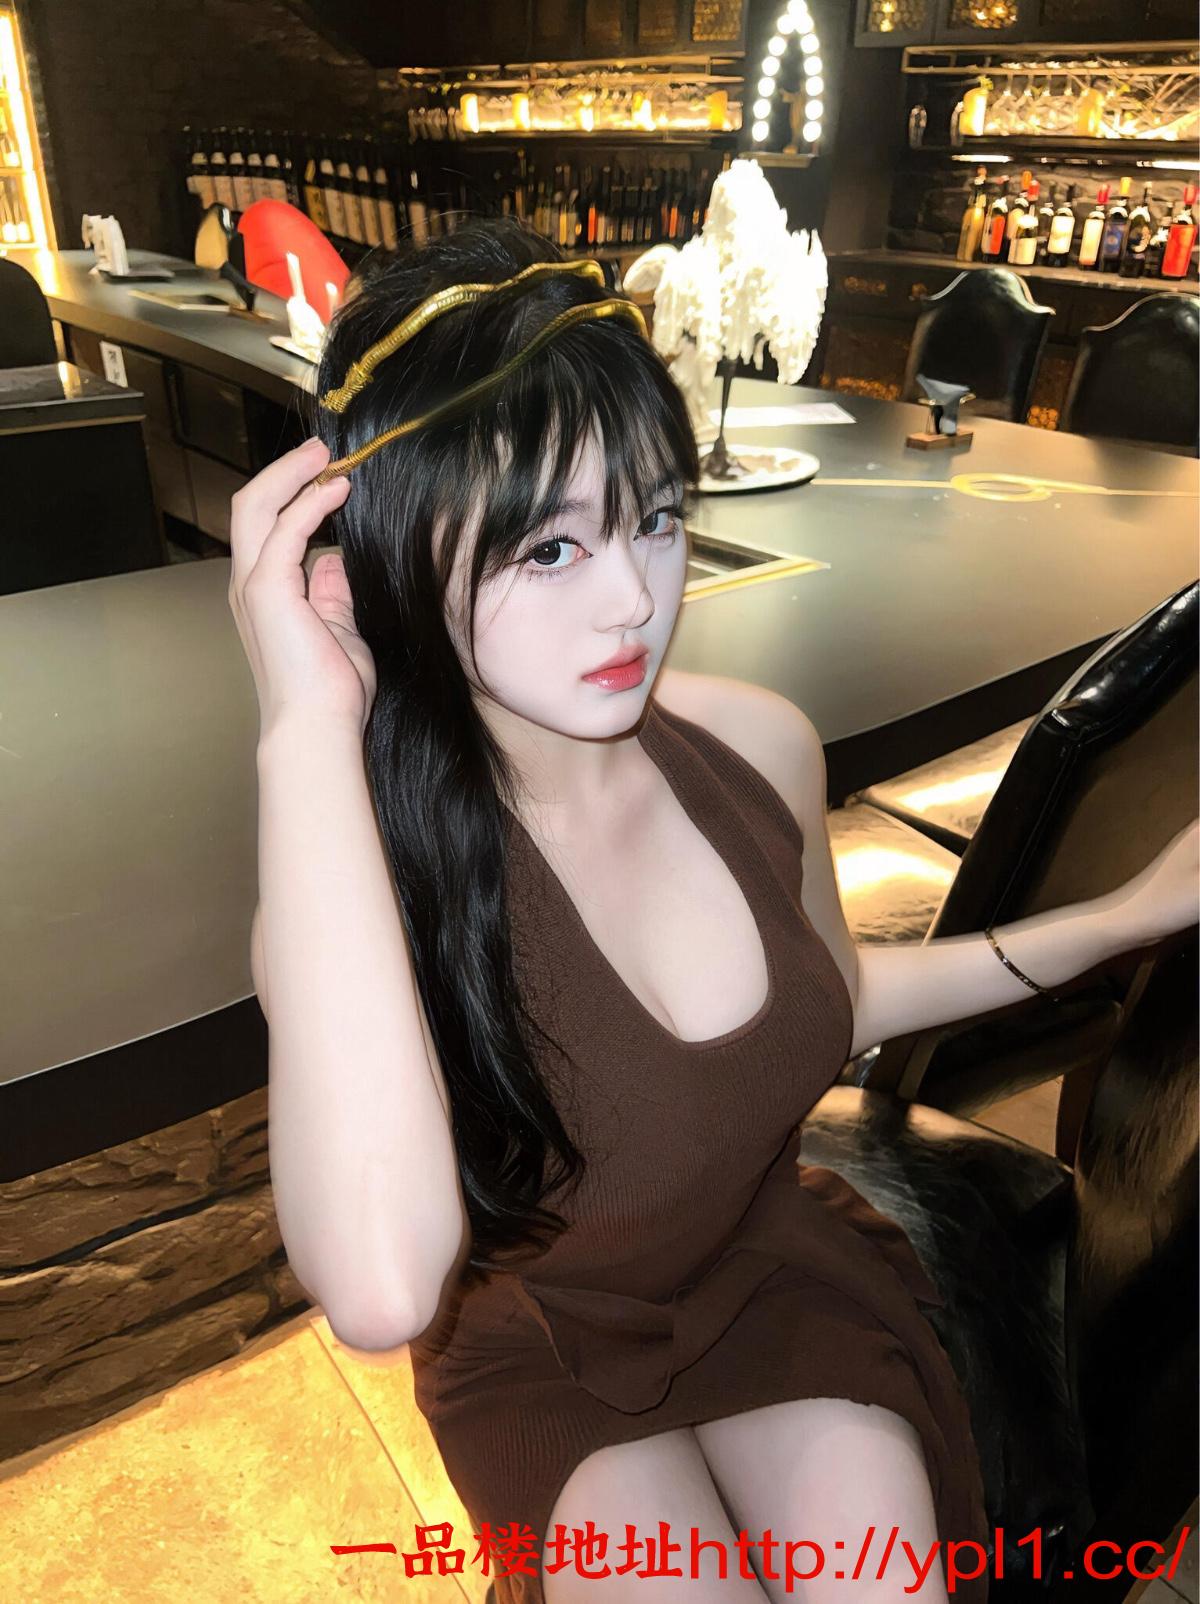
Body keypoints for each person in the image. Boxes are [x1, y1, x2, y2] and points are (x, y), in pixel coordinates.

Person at [227, 217, 1198, 1604]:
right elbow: (382, 1291)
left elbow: (835, 997)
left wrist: (1115, 917)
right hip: (539, 1341)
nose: (634, 598)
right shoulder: (359, 874)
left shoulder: (754, 745)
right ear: (384, 553)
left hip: (760, 1263)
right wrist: (305, 726)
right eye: (547, 550)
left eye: (656, 517)